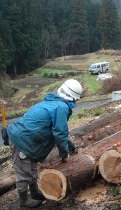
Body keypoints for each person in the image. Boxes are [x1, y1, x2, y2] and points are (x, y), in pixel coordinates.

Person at [7, 79, 83, 208]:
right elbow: (59, 133)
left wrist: (68, 143)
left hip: (27, 138)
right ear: (74, 98)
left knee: (31, 167)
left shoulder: (53, 102)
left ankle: (35, 192)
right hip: (22, 141)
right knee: (23, 172)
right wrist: (64, 154)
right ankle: (23, 201)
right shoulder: (62, 107)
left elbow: (59, 130)